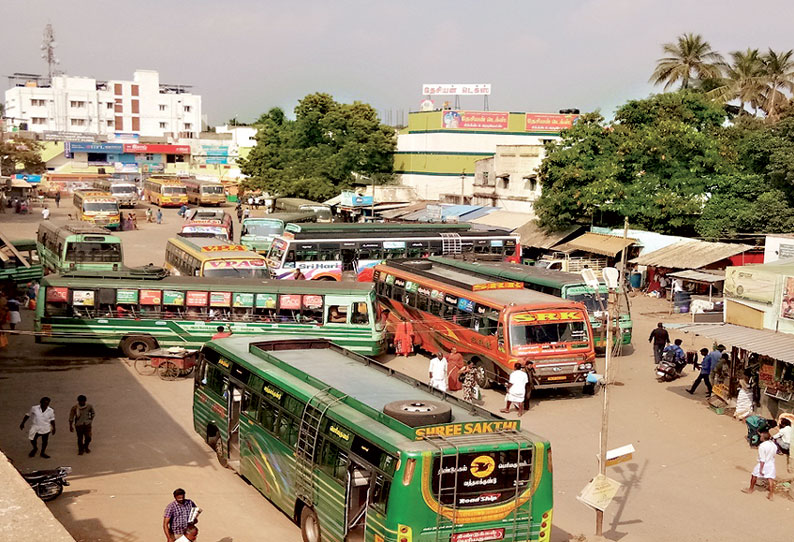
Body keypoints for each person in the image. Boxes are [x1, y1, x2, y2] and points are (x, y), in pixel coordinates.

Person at [742, 431, 777, 500]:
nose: (760, 437)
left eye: (761, 436)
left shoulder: (762, 446)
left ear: (763, 438)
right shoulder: (773, 445)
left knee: (754, 476)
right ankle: (771, 494)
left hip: (763, 464)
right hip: (771, 463)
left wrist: (761, 469)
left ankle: (750, 489)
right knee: (770, 479)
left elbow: (762, 459)